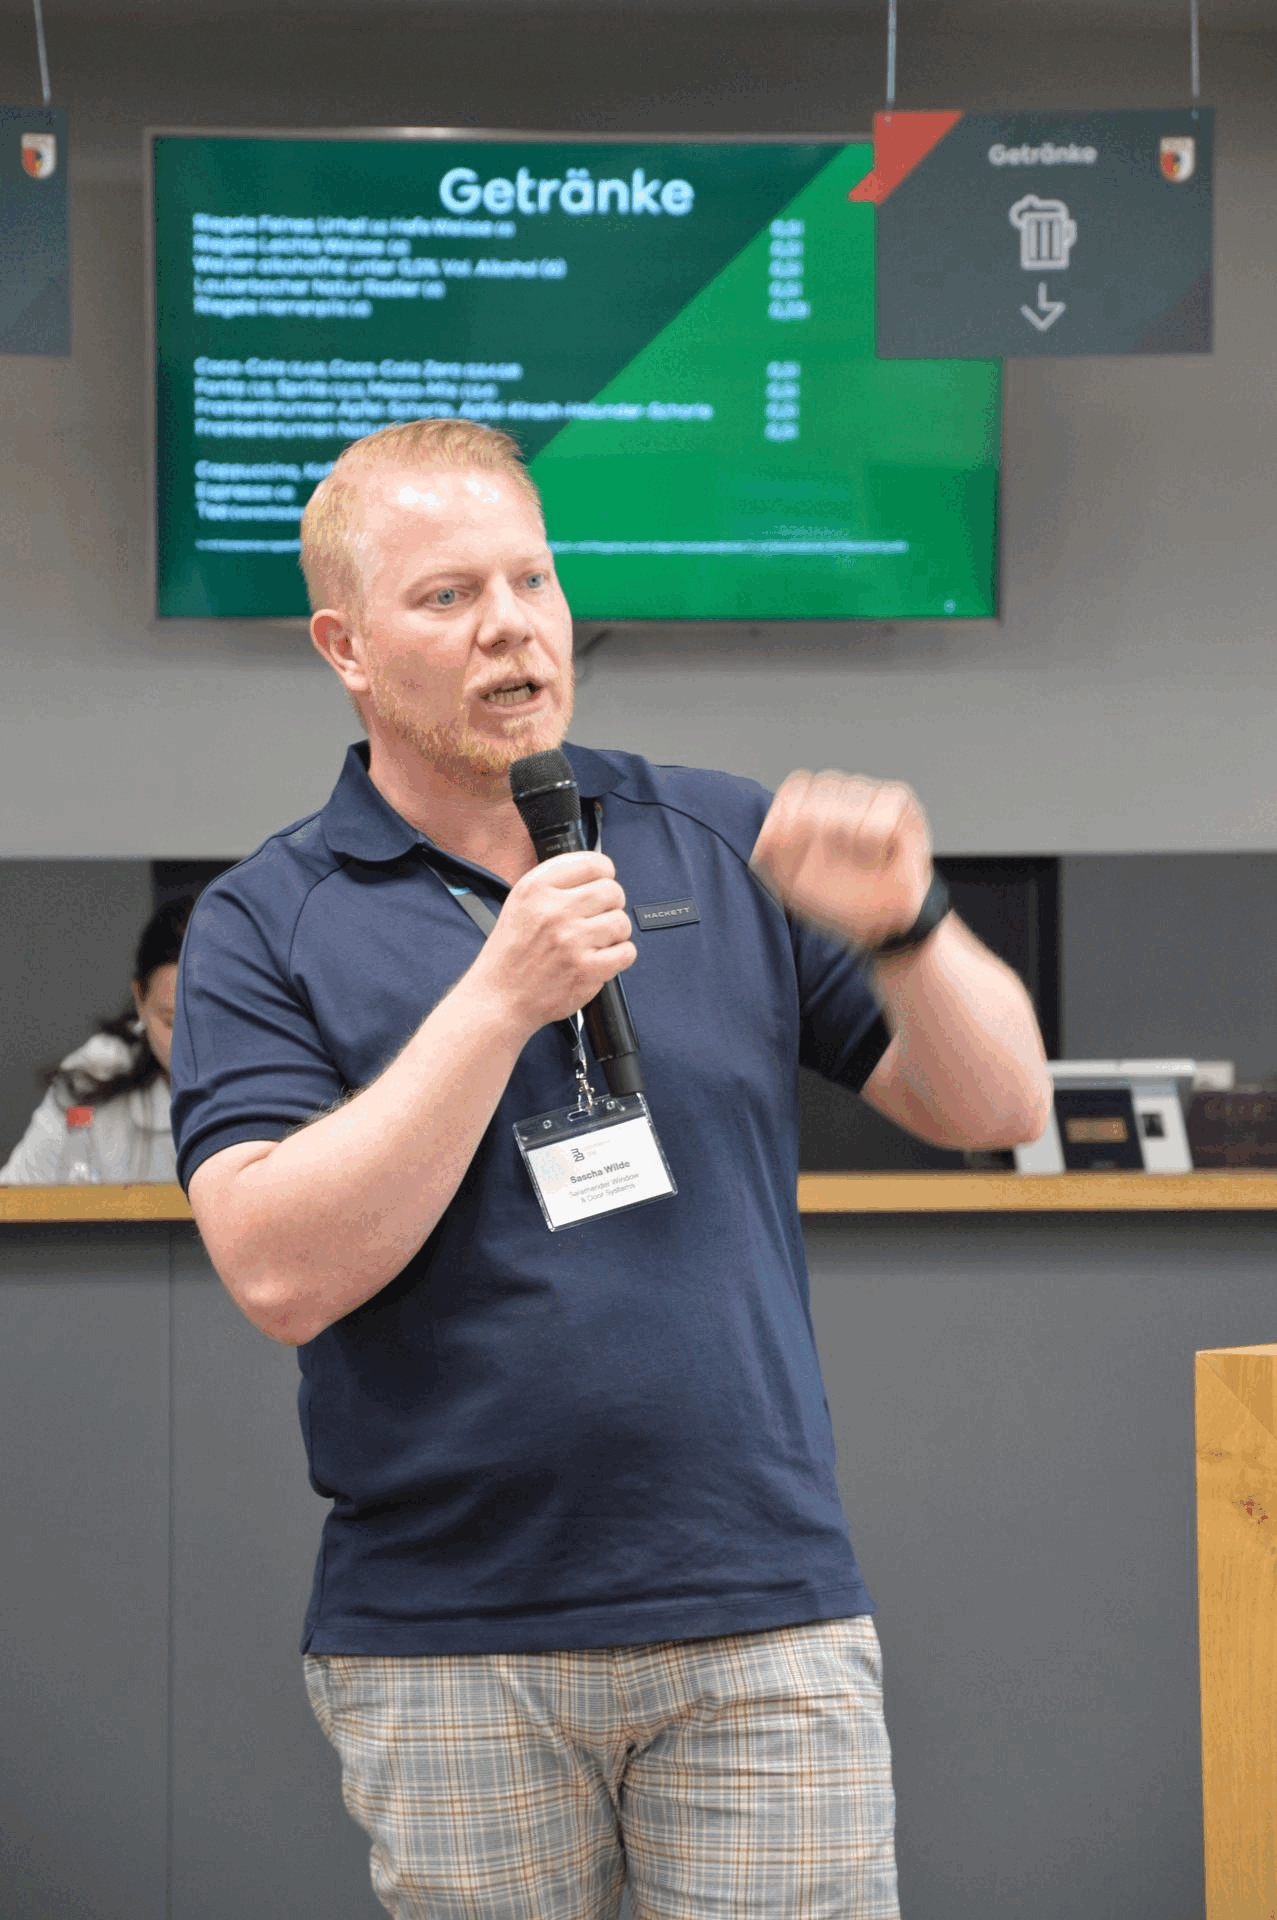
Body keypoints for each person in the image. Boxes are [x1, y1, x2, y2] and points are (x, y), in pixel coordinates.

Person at [170, 418, 1051, 1920]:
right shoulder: (266, 917)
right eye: (448, 595)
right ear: (345, 647)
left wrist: (911, 927)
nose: (510, 624)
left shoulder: (715, 834)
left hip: (756, 1609)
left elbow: (995, 1103)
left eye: (532, 579)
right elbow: (275, 1270)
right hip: (448, 1637)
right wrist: (496, 1000)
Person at [1, 895, 192, 1184]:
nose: (192, 1045)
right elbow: (15, 1196)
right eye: (172, 1022)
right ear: (140, 1001)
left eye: (214, 1022)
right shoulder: (98, 1073)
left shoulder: (267, 1080)